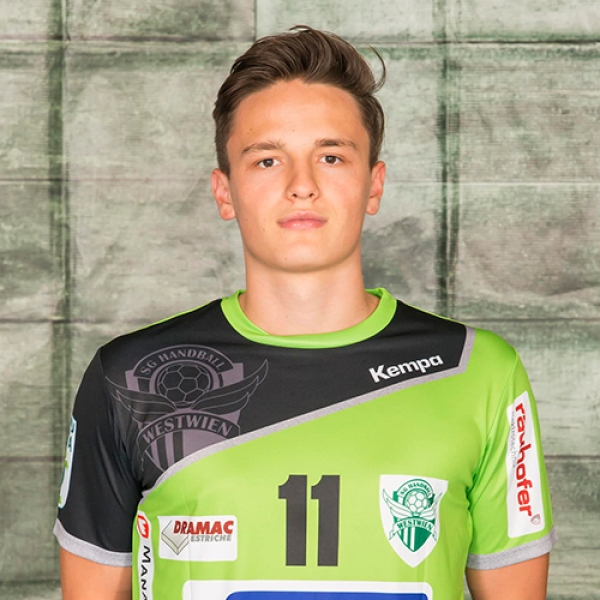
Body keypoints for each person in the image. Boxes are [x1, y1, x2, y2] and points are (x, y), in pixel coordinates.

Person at [54, 26, 556, 600]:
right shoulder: (126, 379)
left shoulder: (479, 372)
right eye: (268, 160)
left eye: (332, 156)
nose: (302, 186)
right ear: (224, 191)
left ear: (374, 185)